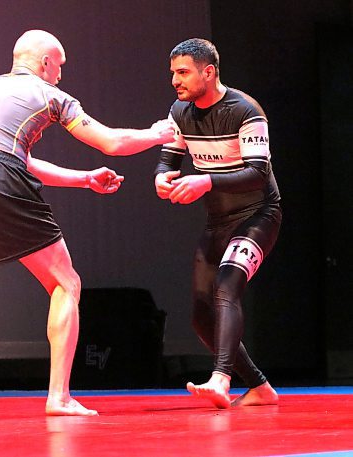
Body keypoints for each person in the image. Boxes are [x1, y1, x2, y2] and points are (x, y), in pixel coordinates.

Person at [0, 29, 175, 421]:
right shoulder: (50, 95)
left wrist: (85, 178)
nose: (60, 74)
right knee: (65, 283)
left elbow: (16, 158)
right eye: (60, 66)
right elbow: (110, 142)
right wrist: (156, 135)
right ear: (45, 63)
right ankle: (58, 396)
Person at [155, 38, 281, 409]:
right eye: (172, 73)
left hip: (259, 215)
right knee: (200, 315)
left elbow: (258, 173)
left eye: (183, 72)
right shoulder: (180, 111)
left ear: (208, 72)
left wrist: (206, 180)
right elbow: (168, 160)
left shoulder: (245, 110)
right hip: (218, 221)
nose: (175, 81)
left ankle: (221, 380)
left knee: (227, 287)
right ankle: (258, 387)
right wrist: (162, 177)